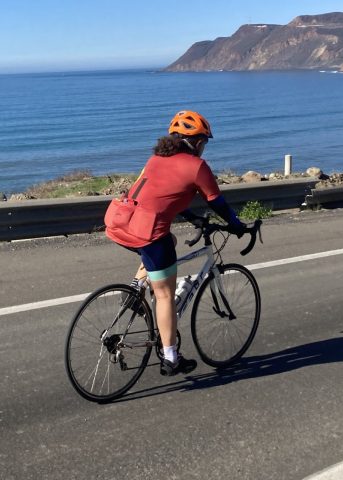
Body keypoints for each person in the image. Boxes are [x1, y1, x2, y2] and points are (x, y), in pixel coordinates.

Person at [104, 110, 246, 376]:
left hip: (119, 223)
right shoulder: (197, 166)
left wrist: (191, 216)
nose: (204, 147)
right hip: (148, 232)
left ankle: (136, 288)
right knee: (165, 294)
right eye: (204, 142)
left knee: (162, 243)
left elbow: (161, 196)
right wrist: (236, 226)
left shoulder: (155, 159)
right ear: (198, 142)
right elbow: (217, 202)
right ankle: (171, 357)